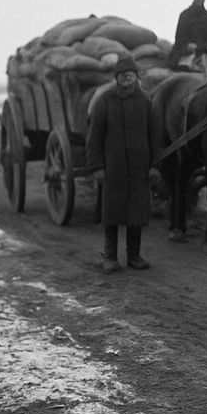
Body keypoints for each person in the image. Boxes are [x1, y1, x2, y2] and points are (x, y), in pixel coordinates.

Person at [87, 55, 163, 272]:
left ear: (136, 77)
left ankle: (134, 256)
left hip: (139, 169)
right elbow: (94, 137)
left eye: (130, 76)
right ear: (117, 78)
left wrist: (155, 165)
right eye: (122, 76)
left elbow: (155, 137)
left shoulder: (146, 103)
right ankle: (110, 256)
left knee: (136, 214)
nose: (127, 80)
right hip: (113, 168)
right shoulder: (105, 101)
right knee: (111, 213)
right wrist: (97, 167)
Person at [167, 0, 207, 69]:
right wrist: (187, 45)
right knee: (183, 67)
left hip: (205, 52)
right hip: (187, 52)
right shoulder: (185, 15)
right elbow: (179, 37)